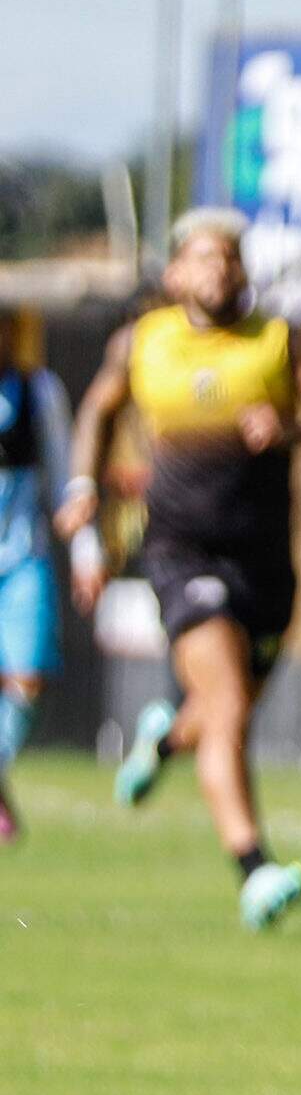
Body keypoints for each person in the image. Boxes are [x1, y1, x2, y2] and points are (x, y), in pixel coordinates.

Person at [55, 209, 301, 924]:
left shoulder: (280, 342)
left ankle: (166, 737)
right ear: (174, 273)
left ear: (244, 271)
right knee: (226, 711)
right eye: (202, 258)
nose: (217, 270)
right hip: (180, 553)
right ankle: (254, 868)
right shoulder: (143, 343)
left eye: (228, 258)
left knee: (225, 711)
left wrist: (297, 428)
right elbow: (98, 414)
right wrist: (82, 490)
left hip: (267, 564)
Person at [0, 306, 76, 843]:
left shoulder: (38, 391)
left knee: (27, 679)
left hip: (22, 559)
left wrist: (88, 551)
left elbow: (65, 472)